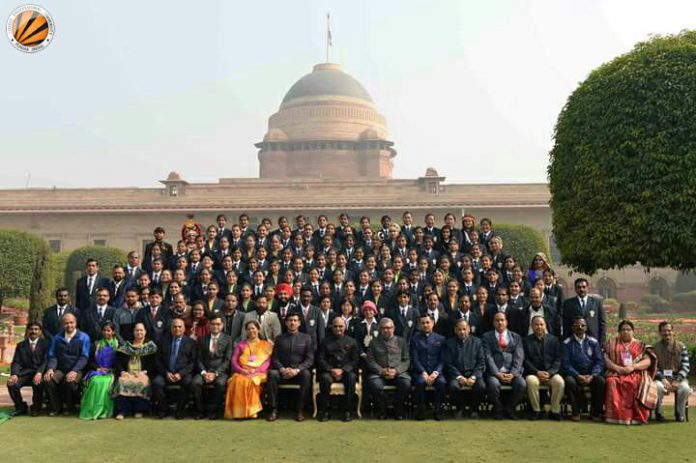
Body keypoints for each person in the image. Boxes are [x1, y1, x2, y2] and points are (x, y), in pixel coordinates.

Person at [266, 313, 315, 422]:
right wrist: (282, 369)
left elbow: (309, 359)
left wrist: (297, 370)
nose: (292, 323)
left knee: (306, 374)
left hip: (298, 372)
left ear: (299, 323)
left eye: (295, 320)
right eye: (290, 320)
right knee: (272, 374)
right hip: (282, 372)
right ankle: (274, 410)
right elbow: (275, 358)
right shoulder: (279, 338)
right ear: (286, 322)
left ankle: (300, 410)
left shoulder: (306, 338)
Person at [604, 319, 653, 425]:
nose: (626, 332)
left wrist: (634, 367)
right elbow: (605, 359)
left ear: (633, 331)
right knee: (611, 382)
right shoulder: (611, 343)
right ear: (619, 332)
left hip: (635, 373)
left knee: (637, 383)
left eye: (628, 329)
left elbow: (648, 361)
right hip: (616, 372)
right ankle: (615, 417)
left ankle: (636, 417)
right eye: (623, 330)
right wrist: (617, 368)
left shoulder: (640, 345)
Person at [223, 320, 273, 420]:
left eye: (253, 328)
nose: (251, 331)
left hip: (260, 373)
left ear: (258, 330)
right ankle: (239, 412)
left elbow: (267, 362)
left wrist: (256, 371)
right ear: (246, 331)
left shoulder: (266, 344)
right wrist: (242, 371)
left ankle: (252, 411)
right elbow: (234, 360)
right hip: (243, 371)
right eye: (248, 329)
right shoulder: (241, 345)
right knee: (237, 380)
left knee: (251, 381)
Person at [44, 313, 91, 416]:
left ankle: (70, 407)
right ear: (62, 324)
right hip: (60, 369)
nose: (69, 325)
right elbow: (52, 355)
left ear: (76, 323)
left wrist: (74, 371)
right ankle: (56, 407)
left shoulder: (84, 337)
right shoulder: (56, 338)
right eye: (66, 323)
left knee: (70, 381)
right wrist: (51, 368)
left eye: (71, 322)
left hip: (77, 369)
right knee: (49, 379)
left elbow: (84, 357)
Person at [482, 312, 526, 419]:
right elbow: (488, 357)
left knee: (522, 384)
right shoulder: (486, 337)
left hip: (512, 372)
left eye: (502, 320)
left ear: (506, 322)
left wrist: (513, 373)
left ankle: (510, 408)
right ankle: (498, 408)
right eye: (497, 320)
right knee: (492, 385)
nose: (500, 322)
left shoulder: (516, 337)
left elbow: (519, 356)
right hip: (495, 372)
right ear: (493, 323)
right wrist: (497, 373)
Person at [561, 316, 606, 422]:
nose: (580, 328)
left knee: (601, 382)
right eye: (577, 326)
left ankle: (595, 412)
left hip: (591, 374)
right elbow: (566, 364)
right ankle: (576, 412)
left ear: (586, 328)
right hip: (574, 374)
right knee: (569, 382)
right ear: (572, 328)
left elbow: (599, 362)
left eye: (582, 325)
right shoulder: (566, 343)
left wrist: (592, 375)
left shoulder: (593, 342)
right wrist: (577, 375)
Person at [366, 318, 411, 420]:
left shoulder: (401, 341)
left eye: (389, 328)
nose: (386, 330)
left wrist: (396, 371)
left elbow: (406, 360)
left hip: (398, 373)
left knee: (405, 384)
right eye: (383, 328)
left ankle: (398, 411)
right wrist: (382, 371)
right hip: (379, 374)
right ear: (380, 329)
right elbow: (370, 361)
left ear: (393, 328)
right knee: (375, 385)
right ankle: (383, 411)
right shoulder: (373, 342)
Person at [317, 316, 360, 422]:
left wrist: (343, 370)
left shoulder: (352, 341)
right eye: (335, 326)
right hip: (330, 371)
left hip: (346, 371)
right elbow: (320, 359)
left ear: (345, 327)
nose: (338, 328)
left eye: (340, 326)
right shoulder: (325, 341)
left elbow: (355, 360)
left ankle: (347, 411)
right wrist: (331, 369)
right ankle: (326, 411)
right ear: (331, 327)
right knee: (324, 379)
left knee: (351, 378)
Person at [152, 318, 196, 419]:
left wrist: (181, 374)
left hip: (182, 374)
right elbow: (158, 361)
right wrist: (166, 373)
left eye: (180, 326)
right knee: (156, 383)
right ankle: (165, 409)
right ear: (171, 328)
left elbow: (192, 363)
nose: (177, 329)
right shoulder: (163, 341)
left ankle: (180, 410)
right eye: (175, 327)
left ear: (184, 328)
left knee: (187, 383)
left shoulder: (191, 343)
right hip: (166, 373)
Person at [192, 314, 233, 420]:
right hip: (204, 371)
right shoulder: (202, 339)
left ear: (222, 325)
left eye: (218, 324)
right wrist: (204, 372)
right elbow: (199, 359)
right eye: (213, 324)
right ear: (209, 325)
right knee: (195, 383)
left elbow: (227, 360)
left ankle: (214, 411)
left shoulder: (228, 339)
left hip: (220, 372)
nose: (215, 326)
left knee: (220, 384)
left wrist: (216, 373)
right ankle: (200, 411)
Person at [442, 319, 486, 419]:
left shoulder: (477, 342)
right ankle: (460, 408)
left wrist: (474, 377)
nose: (462, 332)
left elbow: (481, 362)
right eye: (459, 329)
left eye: (464, 329)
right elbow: (448, 363)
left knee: (481, 386)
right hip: (456, 375)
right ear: (455, 330)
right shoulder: (449, 343)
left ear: (469, 329)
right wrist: (459, 376)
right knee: (453, 387)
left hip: (473, 374)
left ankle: (474, 409)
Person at [113, 322, 157, 420]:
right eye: (137, 330)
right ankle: (122, 411)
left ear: (145, 332)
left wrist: (145, 372)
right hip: (128, 372)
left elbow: (153, 363)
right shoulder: (126, 346)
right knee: (122, 381)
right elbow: (119, 362)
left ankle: (139, 410)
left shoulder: (150, 347)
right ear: (133, 332)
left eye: (141, 330)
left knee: (142, 382)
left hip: (143, 373)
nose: (139, 332)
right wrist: (122, 371)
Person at [522, 316, 564, 420]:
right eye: (536, 325)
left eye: (541, 324)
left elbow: (558, 359)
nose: (539, 327)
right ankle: (536, 410)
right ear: (532, 326)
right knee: (531, 381)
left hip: (550, 374)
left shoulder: (554, 340)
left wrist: (550, 373)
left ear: (545, 326)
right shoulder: (526, 341)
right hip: (534, 373)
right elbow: (525, 360)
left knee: (559, 382)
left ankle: (554, 411)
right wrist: (537, 372)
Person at [410, 313, 446, 420]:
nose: (425, 325)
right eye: (423, 323)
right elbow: (415, 359)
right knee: (420, 383)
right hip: (420, 372)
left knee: (441, 383)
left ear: (433, 323)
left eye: (427, 322)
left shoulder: (441, 339)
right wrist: (423, 372)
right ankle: (421, 410)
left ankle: (438, 409)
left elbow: (442, 359)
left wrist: (435, 373)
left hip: (436, 372)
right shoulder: (415, 339)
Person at [80, 321, 119, 420]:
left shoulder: (118, 345)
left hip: (112, 372)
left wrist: (112, 369)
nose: (106, 333)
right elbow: (90, 360)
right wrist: (98, 368)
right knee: (95, 381)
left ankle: (104, 411)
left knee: (106, 383)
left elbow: (120, 362)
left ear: (113, 332)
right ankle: (92, 410)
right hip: (97, 371)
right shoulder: (96, 344)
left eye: (109, 331)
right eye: (104, 331)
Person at [653, 321, 691, 422]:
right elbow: (654, 368)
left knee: (685, 388)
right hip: (661, 378)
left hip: (677, 377)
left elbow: (686, 366)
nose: (667, 333)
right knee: (657, 387)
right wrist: (662, 379)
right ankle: (659, 413)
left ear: (673, 332)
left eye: (669, 330)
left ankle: (679, 413)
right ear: (660, 332)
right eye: (664, 331)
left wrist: (677, 380)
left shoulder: (681, 346)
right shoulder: (655, 348)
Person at [8, 322, 47, 416]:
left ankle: (36, 407)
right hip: (24, 374)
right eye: (31, 329)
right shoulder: (21, 345)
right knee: (12, 384)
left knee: (38, 383)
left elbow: (46, 360)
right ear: (27, 331)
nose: (33, 331)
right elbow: (16, 362)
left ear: (40, 331)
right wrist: (14, 374)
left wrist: (39, 372)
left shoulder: (46, 344)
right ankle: (21, 407)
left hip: (38, 374)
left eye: (36, 329)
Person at [562, 278, 606, 343]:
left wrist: (602, 342)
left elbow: (602, 323)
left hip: (593, 339)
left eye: (584, 287)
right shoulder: (568, 303)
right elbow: (565, 324)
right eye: (579, 287)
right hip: (574, 340)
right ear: (575, 289)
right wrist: (566, 340)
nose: (581, 289)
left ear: (588, 288)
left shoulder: (596, 303)